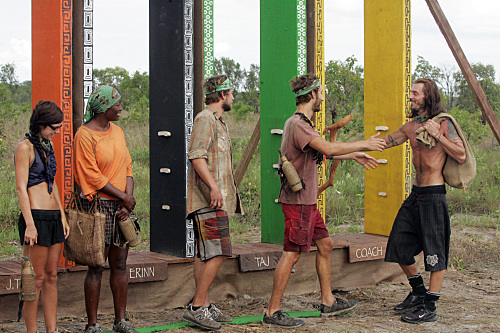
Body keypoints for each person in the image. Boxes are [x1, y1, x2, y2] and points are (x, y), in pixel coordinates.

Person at [263, 74, 386, 328]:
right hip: (299, 203)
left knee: (326, 244)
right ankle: (272, 311)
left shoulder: (301, 123)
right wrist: (367, 143)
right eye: (320, 93)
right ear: (311, 95)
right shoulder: (299, 125)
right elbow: (328, 149)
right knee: (291, 254)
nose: (322, 98)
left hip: (306, 201)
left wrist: (355, 154)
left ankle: (328, 301)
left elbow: (320, 150)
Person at [383, 78, 466, 324]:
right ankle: (418, 292)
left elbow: (460, 154)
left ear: (428, 96)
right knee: (398, 245)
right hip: (415, 194)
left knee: (434, 252)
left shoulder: (444, 124)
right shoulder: (410, 127)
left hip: (433, 195)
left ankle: (430, 305)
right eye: (411, 92)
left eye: (415, 93)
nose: (410, 97)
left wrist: (436, 135)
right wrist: (349, 148)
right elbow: (387, 142)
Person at [73, 86, 138, 333]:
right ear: (103, 108)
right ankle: (92, 324)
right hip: (98, 208)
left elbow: (127, 166)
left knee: (120, 264)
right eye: (117, 104)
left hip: (121, 207)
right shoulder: (84, 135)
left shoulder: (118, 132)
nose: (121, 108)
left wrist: (127, 200)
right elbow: (91, 175)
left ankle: (121, 321)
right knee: (97, 265)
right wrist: (123, 196)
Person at [183, 74, 243, 331]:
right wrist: (214, 187)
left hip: (214, 199)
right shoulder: (205, 119)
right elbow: (196, 156)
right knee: (219, 252)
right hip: (209, 200)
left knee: (205, 254)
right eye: (230, 93)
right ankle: (197, 307)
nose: (233, 97)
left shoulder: (218, 121)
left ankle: (204, 305)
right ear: (221, 95)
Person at [15, 100, 70, 333]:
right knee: (34, 279)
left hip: (53, 217)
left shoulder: (48, 145)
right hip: (35, 218)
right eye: (53, 128)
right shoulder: (25, 148)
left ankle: (52, 329)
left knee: (51, 276)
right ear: (41, 124)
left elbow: (52, 183)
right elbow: (21, 188)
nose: (56, 132)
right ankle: (31, 331)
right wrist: (29, 224)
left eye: (59, 128)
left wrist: (62, 215)